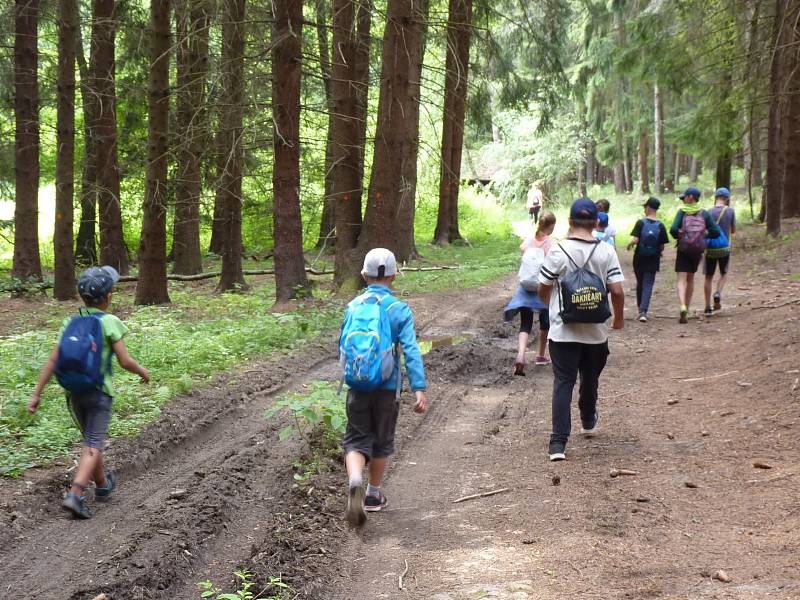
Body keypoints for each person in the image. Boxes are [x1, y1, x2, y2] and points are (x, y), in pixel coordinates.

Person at [28, 266, 150, 519]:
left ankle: (103, 486)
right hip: (99, 393)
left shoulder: (70, 323)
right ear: (109, 297)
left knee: (91, 442)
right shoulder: (109, 322)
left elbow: (52, 360)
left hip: (74, 391)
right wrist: (142, 372)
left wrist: (37, 393)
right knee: (94, 443)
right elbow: (125, 361)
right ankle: (75, 494)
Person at [341, 248, 428, 526]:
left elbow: (342, 345)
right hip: (387, 388)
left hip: (357, 383)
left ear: (364, 275)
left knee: (356, 437)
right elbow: (412, 350)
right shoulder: (399, 309)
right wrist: (419, 388)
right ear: (394, 276)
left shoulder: (353, 306)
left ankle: (355, 477)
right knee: (382, 440)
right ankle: (373, 494)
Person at [538, 199, 625, 461]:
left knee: (563, 382)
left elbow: (543, 285)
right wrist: (618, 319)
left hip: (563, 331)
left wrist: (550, 306)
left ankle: (557, 444)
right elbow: (617, 291)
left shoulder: (557, 250)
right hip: (596, 332)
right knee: (590, 377)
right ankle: (588, 417)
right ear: (597, 222)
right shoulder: (606, 251)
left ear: (570, 221)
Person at [504, 210, 557, 376]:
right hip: (543, 287)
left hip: (526, 288)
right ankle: (541, 355)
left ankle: (520, 355)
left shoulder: (529, 240)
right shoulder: (551, 244)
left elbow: (522, 249)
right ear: (551, 226)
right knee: (544, 322)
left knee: (525, 323)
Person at [669, 187, 722, 323]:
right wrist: (704, 235)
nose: (683, 200)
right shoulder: (704, 213)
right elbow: (715, 231)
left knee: (681, 280)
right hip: (697, 250)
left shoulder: (682, 212)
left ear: (691, 197)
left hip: (684, 249)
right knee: (690, 279)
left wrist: (681, 236)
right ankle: (687, 306)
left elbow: (673, 229)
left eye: (684, 197)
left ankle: (682, 306)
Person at [626, 197, 669, 322]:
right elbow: (662, 246)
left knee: (640, 282)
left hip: (639, 257)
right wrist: (658, 252)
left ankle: (640, 308)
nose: (644, 209)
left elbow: (635, 240)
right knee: (648, 284)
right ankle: (643, 311)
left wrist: (629, 245)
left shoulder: (640, 223)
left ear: (649, 207)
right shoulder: (661, 225)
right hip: (653, 258)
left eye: (645, 207)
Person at [703, 187, 736, 315]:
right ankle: (718, 293)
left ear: (716, 197)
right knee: (723, 273)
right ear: (727, 199)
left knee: (708, 277)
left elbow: (704, 230)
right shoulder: (730, 211)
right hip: (724, 248)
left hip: (710, 248)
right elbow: (733, 230)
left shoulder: (708, 212)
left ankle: (707, 307)